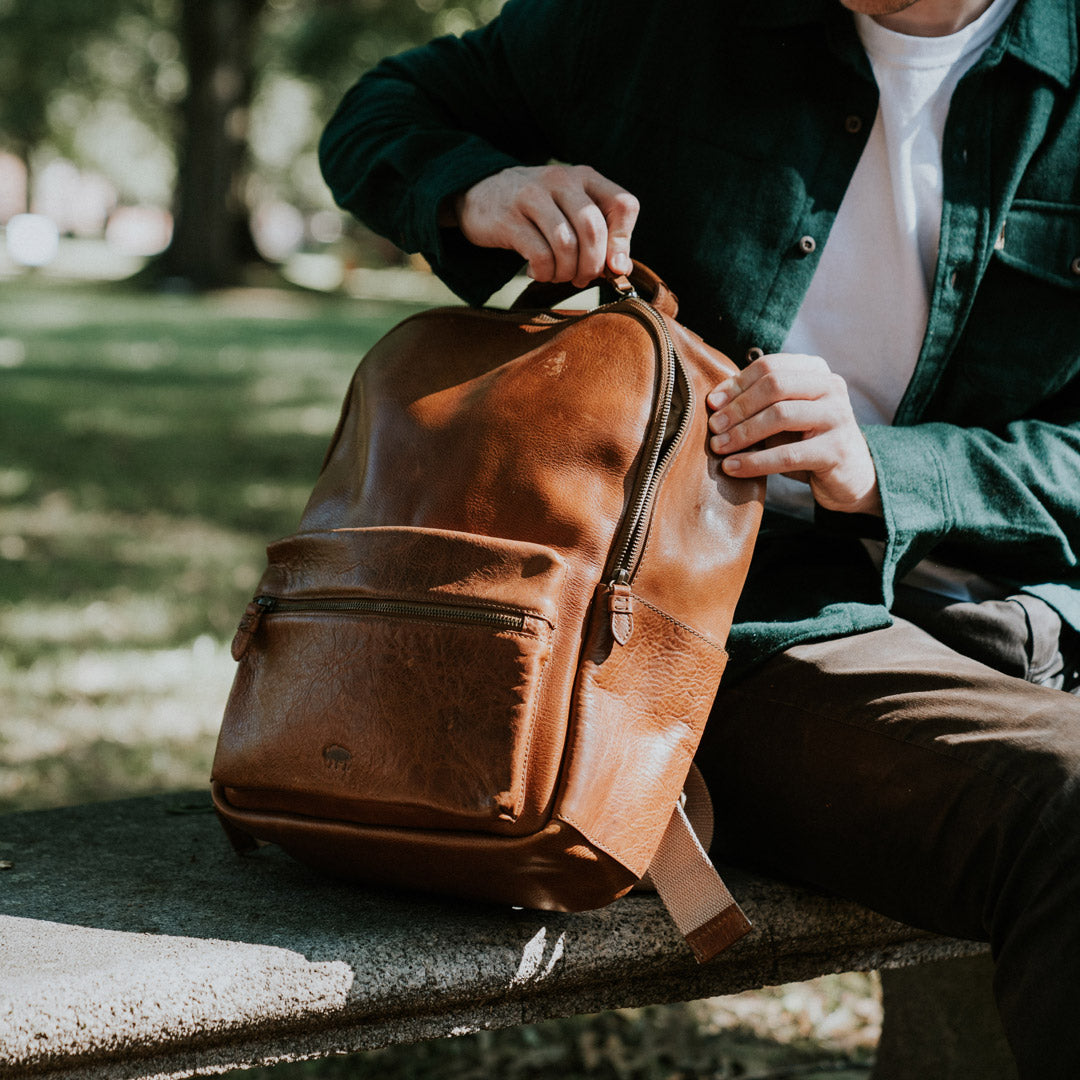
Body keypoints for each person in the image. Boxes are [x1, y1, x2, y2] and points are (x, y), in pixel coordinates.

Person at [318, 0, 1080, 1073]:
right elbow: (383, 107)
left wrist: (888, 471)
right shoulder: (653, 22)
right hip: (728, 625)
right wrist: (477, 188)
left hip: (1026, 606)